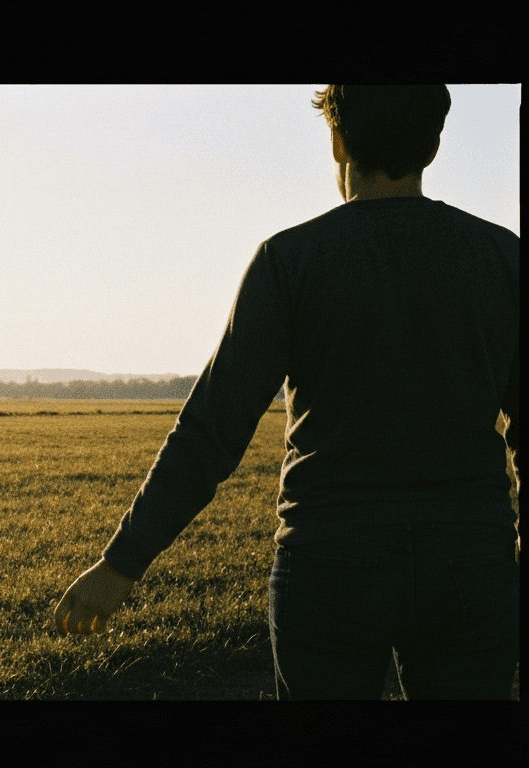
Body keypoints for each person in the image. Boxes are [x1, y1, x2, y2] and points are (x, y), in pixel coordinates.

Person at [52, 85, 520, 700]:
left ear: (338, 139)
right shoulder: (501, 257)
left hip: (329, 566)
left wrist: (121, 565)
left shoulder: (290, 260)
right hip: (471, 565)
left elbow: (212, 431)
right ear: (432, 146)